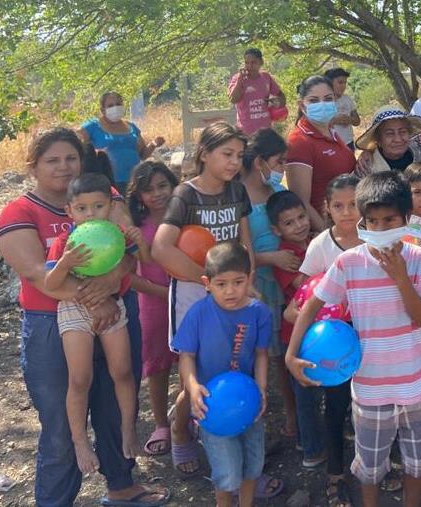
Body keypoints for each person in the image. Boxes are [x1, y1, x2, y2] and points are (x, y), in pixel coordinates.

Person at [0, 127, 169, 506]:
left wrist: (112, 282)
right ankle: (56, 501)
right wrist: (99, 299)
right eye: (52, 160)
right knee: (60, 424)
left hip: (115, 315)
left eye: (70, 158)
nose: (63, 167)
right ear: (33, 166)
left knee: (115, 400)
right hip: (51, 325)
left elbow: (126, 247)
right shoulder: (19, 212)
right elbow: (38, 275)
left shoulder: (102, 196)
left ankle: (122, 486)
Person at [286, 172, 421, 507]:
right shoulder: (349, 263)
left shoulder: (418, 260)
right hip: (370, 389)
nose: (381, 228)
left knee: (417, 462)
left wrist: (401, 277)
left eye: (389, 220)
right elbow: (311, 302)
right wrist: (290, 353)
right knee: (370, 467)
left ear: (406, 219)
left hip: (415, 385)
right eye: (372, 221)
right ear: (362, 223)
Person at [151, 123, 262, 488]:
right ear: (204, 154)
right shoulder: (185, 195)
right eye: (226, 154)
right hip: (196, 295)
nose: (234, 162)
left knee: (234, 364)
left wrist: (249, 283)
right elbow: (161, 248)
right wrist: (207, 280)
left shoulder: (237, 191)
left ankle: (237, 445)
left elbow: (246, 246)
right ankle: (181, 430)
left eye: (239, 156)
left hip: (232, 291)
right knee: (195, 374)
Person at [42, 173, 143, 474]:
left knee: (123, 372)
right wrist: (66, 263)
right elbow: (50, 282)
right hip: (73, 310)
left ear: (110, 207)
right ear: (69, 211)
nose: (90, 214)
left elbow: (135, 261)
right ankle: (79, 440)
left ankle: (128, 428)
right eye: (82, 208)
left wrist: (137, 240)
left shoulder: (116, 235)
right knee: (79, 379)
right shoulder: (65, 243)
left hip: (115, 309)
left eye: (98, 206)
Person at [174, 242, 271, 507]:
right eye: (221, 284)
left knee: (253, 464)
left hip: (249, 402)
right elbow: (187, 356)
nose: (231, 291)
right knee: (226, 473)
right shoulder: (198, 313)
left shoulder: (259, 312)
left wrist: (261, 388)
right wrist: (193, 387)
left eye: (238, 282)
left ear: (250, 278)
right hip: (211, 406)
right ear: (207, 283)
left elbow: (262, 353)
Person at [286, 175, 361, 503]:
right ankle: (336, 473)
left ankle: (376, 465)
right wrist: (325, 319)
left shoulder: (377, 239)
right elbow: (295, 307)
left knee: (372, 407)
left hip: (373, 335)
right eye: (339, 206)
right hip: (336, 345)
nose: (347, 212)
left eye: (354, 204)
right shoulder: (321, 246)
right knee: (336, 406)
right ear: (326, 209)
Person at [240, 128, 303, 446]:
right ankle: (253, 415)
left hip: (283, 285)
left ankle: (291, 412)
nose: (282, 167)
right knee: (256, 350)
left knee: (280, 353)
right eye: (279, 161)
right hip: (255, 282)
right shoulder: (236, 196)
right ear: (260, 161)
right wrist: (270, 258)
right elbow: (237, 249)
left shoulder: (274, 191)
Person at [127, 161, 180, 457]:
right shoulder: (135, 227)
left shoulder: (184, 217)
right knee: (157, 366)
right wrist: (165, 293)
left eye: (163, 186)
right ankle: (161, 423)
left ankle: (186, 419)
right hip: (153, 305)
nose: (157, 194)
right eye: (148, 190)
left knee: (190, 361)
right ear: (138, 196)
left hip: (188, 300)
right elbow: (131, 275)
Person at [285, 75, 357, 231]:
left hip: (347, 223)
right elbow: (301, 201)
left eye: (328, 98)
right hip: (327, 229)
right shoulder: (299, 142)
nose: (322, 104)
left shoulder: (331, 133)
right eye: (314, 100)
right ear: (302, 105)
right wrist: (328, 237)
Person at [78, 91, 165, 193]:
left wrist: (153, 144)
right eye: (110, 105)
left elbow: (142, 155)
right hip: (107, 182)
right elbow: (76, 143)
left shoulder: (131, 127)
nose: (115, 107)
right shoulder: (93, 126)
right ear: (102, 110)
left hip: (134, 181)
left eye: (118, 104)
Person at [354, 106, 421, 177]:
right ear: (378, 139)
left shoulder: (419, 155)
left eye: (403, 132)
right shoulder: (366, 167)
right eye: (390, 133)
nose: (398, 139)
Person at [228, 48, 286, 135]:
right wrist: (240, 80)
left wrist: (277, 102)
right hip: (246, 132)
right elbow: (233, 99)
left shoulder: (266, 77)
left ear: (261, 62)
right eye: (247, 62)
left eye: (254, 62)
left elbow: (281, 96)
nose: (250, 66)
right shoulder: (238, 78)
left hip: (266, 131)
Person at [325, 67, 361, 151]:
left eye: (345, 83)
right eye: (340, 82)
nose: (343, 86)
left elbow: (357, 121)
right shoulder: (323, 103)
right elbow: (317, 124)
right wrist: (336, 120)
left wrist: (349, 119)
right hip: (330, 144)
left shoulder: (347, 100)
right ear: (329, 83)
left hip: (348, 143)